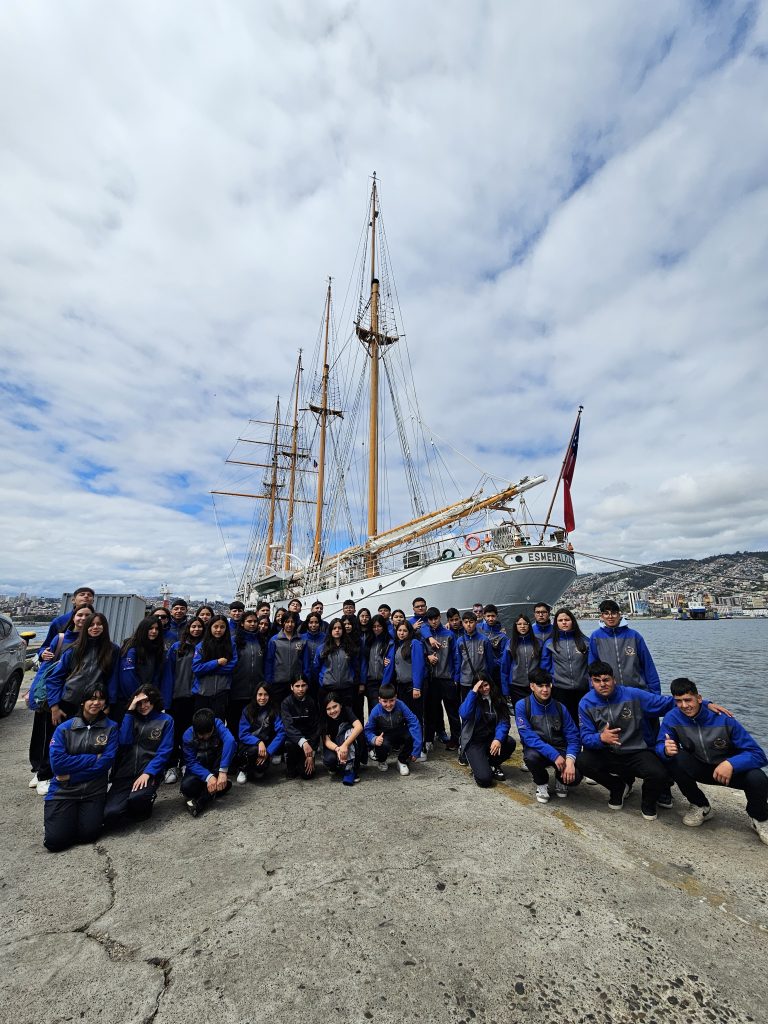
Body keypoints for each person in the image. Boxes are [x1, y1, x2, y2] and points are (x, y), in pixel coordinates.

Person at [658, 678, 768, 844]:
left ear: (699, 698)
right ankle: (701, 806)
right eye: (678, 701)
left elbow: (758, 754)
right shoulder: (672, 718)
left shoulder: (724, 719)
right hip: (701, 768)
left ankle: (759, 818)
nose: (684, 705)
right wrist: (665, 749)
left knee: (758, 778)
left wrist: (732, 763)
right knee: (673, 758)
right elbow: (660, 744)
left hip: (730, 772)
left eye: (688, 700)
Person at [576, 661, 675, 820]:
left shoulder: (633, 695)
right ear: (591, 682)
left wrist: (702, 704)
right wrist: (601, 738)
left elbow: (666, 703)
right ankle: (617, 787)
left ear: (614, 679)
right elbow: (586, 738)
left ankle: (648, 802)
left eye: (606, 679)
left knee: (659, 773)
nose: (603, 684)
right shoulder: (585, 703)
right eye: (597, 680)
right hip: (608, 752)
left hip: (636, 751)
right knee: (582, 762)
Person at [43, 683, 118, 852]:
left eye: (100, 699)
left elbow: (105, 763)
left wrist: (72, 776)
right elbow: (58, 764)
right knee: (55, 843)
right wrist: (93, 757)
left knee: (88, 836)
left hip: (93, 791)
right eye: (91, 698)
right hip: (63, 791)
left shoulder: (111, 728)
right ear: (83, 702)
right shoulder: (65, 728)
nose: (96, 703)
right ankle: (59, 822)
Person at [103, 685, 174, 827]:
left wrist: (149, 773)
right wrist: (130, 711)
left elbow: (164, 751)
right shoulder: (131, 718)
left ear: (153, 700)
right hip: (125, 773)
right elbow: (123, 742)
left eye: (146, 701)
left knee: (138, 803)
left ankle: (145, 799)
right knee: (110, 814)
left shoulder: (166, 720)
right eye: (139, 703)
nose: (143, 706)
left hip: (147, 772)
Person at [515, 668, 581, 803]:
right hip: (539, 750)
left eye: (547, 685)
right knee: (531, 757)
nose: (545, 690)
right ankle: (542, 783)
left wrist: (570, 761)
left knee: (576, 777)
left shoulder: (560, 707)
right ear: (532, 686)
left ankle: (560, 777)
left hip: (560, 749)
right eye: (540, 686)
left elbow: (573, 737)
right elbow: (528, 737)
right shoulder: (522, 705)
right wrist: (554, 754)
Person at [47, 611, 118, 732]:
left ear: (104, 627)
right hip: (69, 703)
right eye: (91, 624)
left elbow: (113, 679)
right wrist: (54, 706)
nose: (95, 627)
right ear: (86, 627)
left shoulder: (112, 650)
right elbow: (55, 678)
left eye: (99, 624)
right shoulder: (74, 649)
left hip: (96, 705)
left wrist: (108, 704)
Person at [162, 617, 205, 784]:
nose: (196, 629)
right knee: (175, 733)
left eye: (199, 627)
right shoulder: (176, 647)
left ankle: (189, 762)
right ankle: (172, 765)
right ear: (188, 628)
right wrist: (167, 698)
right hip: (178, 696)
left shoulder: (205, 647)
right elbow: (169, 674)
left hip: (196, 696)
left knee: (192, 733)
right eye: (193, 626)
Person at [588, 600, 661, 693]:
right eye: (606, 613)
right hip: (611, 693)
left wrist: (655, 692)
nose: (610, 617)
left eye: (613, 613)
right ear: (602, 616)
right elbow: (592, 667)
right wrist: (593, 690)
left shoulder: (634, 636)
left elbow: (648, 665)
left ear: (619, 615)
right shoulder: (596, 637)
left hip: (638, 691)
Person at [458, 674, 516, 787]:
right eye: (480, 687)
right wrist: (473, 692)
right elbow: (464, 714)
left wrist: (498, 739)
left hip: (491, 739)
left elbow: (504, 722)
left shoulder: (497, 698)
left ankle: (493, 764)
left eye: (486, 685)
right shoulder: (473, 698)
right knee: (485, 780)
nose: (484, 689)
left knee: (510, 742)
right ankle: (473, 761)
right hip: (475, 742)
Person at [181, 708, 236, 817]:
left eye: (208, 733)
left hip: (217, 767)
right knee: (186, 787)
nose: (205, 737)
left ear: (213, 727)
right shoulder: (187, 736)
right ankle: (217, 788)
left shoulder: (217, 724)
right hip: (200, 771)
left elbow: (230, 741)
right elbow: (191, 763)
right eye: (201, 735)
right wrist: (208, 777)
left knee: (230, 747)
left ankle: (201, 801)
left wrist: (223, 771)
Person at [539, 607, 590, 723]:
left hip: (583, 688)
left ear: (573, 621)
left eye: (566, 620)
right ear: (556, 623)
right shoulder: (550, 643)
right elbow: (545, 667)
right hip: (560, 689)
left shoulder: (586, 641)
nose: (564, 623)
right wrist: (551, 682)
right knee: (565, 721)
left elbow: (591, 664)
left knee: (584, 720)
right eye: (560, 620)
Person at [364, 683, 423, 776]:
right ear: (379, 700)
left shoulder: (401, 705)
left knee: (411, 735)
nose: (388, 704)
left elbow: (414, 722)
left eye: (392, 700)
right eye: (385, 701)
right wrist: (374, 739)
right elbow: (367, 730)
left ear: (396, 697)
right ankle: (382, 760)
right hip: (384, 735)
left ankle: (402, 761)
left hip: (399, 732)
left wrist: (417, 750)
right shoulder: (375, 711)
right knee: (380, 742)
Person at [114, 616, 165, 721]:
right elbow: (128, 678)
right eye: (150, 628)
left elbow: (155, 677)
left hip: (146, 703)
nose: (154, 631)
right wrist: (140, 699)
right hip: (129, 702)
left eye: (157, 629)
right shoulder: (132, 648)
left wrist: (150, 698)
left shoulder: (155, 650)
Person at [421, 607, 458, 750]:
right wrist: (427, 657)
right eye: (431, 619)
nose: (434, 622)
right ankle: (429, 739)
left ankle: (456, 739)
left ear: (440, 618)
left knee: (452, 712)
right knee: (431, 711)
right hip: (431, 680)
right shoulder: (425, 635)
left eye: (436, 618)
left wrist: (456, 677)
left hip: (447, 679)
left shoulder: (449, 635)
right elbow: (420, 652)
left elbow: (455, 657)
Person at [228, 609, 267, 737]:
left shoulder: (261, 641)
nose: (253, 624)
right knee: (234, 722)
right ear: (242, 623)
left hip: (255, 692)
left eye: (255, 621)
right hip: (237, 690)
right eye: (249, 621)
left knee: (253, 723)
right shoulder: (234, 641)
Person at [191, 615, 237, 720]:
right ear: (210, 627)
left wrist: (208, 669)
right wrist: (216, 663)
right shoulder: (201, 646)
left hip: (222, 693)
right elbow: (197, 668)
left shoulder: (231, 645)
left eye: (222, 627)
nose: (218, 630)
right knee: (201, 724)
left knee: (218, 724)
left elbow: (232, 667)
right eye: (215, 627)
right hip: (202, 693)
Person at [237, 685, 285, 783]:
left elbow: (281, 732)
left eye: (266, 695)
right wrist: (258, 742)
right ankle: (243, 770)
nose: (262, 698)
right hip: (248, 745)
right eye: (260, 694)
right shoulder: (247, 710)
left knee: (260, 771)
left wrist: (269, 751)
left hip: (265, 747)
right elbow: (243, 734)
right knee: (253, 751)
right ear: (255, 695)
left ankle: (256, 768)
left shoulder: (274, 710)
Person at [265, 613, 310, 707]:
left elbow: (306, 661)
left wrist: (306, 679)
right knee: (277, 708)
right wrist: (269, 680)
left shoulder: (302, 640)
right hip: (278, 682)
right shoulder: (274, 640)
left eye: (292, 622)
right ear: (283, 623)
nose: (289, 624)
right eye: (287, 622)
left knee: (295, 708)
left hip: (296, 683)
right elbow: (269, 661)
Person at [280, 677, 321, 779]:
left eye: (303, 686)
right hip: (294, 740)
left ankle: (302, 762)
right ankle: (291, 764)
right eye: (297, 686)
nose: (300, 689)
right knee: (291, 774)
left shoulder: (311, 701)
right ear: (291, 687)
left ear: (307, 686)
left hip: (309, 741)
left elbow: (316, 727)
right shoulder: (286, 703)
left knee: (307, 775)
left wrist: (312, 753)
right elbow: (288, 727)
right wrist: (303, 742)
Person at [321, 691, 364, 786]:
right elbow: (326, 740)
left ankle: (351, 768)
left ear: (340, 705)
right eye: (328, 709)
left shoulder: (346, 710)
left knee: (348, 730)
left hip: (347, 742)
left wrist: (345, 745)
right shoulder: (324, 718)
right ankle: (336, 766)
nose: (332, 711)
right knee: (329, 760)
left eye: (334, 706)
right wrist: (338, 749)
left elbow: (359, 727)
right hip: (334, 745)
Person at [316, 618, 360, 709]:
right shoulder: (322, 648)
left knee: (347, 715)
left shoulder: (350, 648)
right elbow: (316, 667)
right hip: (328, 688)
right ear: (330, 630)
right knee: (329, 715)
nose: (337, 630)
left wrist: (351, 679)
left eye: (339, 628)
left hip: (346, 688)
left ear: (343, 630)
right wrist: (322, 681)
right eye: (334, 628)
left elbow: (355, 666)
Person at [38, 586, 96, 652]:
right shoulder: (59, 621)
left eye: (89, 595)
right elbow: (45, 646)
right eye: (82, 594)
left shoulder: (98, 621)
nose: (86, 596)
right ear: (73, 600)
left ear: (93, 601)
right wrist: (43, 653)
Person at [454, 612, 494, 704]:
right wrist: (457, 678)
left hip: (481, 681)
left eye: (471, 622)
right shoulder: (460, 641)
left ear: (476, 622)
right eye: (466, 622)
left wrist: (487, 677)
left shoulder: (484, 640)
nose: (468, 624)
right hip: (465, 681)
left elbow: (490, 661)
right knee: (467, 706)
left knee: (482, 707)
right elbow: (458, 662)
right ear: (462, 623)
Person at [500, 615, 541, 705]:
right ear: (516, 626)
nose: (522, 626)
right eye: (519, 624)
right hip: (516, 685)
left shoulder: (538, 643)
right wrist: (505, 690)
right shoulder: (510, 644)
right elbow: (504, 668)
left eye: (525, 624)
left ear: (529, 625)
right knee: (520, 712)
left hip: (534, 684)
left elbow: (542, 664)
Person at [360, 613, 390, 715]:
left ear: (383, 626)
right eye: (374, 626)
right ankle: (373, 731)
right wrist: (363, 682)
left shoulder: (388, 641)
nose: (376, 629)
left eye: (379, 626)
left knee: (386, 709)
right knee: (373, 710)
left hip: (384, 680)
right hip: (371, 681)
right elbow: (364, 662)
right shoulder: (369, 641)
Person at [477, 604, 509, 686]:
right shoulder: (477, 629)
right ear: (484, 616)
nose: (490, 619)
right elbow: (464, 627)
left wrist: (491, 663)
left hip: (494, 673)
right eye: (488, 616)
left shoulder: (502, 637)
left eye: (493, 616)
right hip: (477, 671)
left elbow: (504, 657)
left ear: (497, 616)